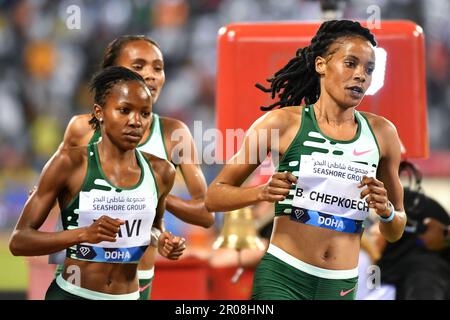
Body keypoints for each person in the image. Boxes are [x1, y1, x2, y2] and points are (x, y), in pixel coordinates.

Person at [205, 20, 406, 300]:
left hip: (340, 284)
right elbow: (214, 196)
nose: (361, 75)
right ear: (321, 65)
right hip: (282, 277)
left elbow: (396, 228)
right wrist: (261, 193)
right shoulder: (281, 123)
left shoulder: (383, 134)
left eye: (368, 69)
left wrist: (385, 211)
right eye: (350, 63)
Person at [51, 35, 214, 299]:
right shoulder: (81, 128)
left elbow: (205, 213)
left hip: (135, 283)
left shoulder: (174, 134)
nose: (150, 75)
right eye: (138, 67)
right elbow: (53, 194)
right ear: (112, 74)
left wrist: (148, 192)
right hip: (79, 279)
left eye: (158, 68)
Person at [9, 66, 186, 300]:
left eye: (145, 114)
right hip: (73, 293)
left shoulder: (162, 171)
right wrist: (83, 234)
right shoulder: (68, 163)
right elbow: (19, 241)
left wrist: (162, 240)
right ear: (99, 112)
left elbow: (154, 226)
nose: (136, 122)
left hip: (128, 296)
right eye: (124, 110)